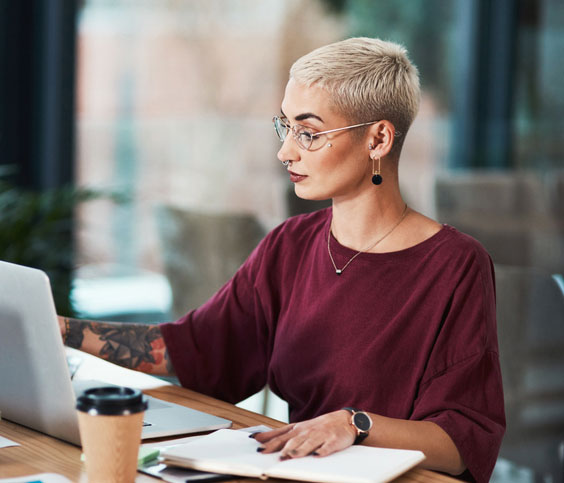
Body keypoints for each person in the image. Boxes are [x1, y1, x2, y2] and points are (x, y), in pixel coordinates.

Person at [58, 37, 505, 482]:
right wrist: (60, 329)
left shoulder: (455, 265)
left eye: (308, 133)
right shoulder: (289, 245)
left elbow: (461, 442)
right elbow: (198, 350)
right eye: (286, 127)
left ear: (379, 138)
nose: (285, 151)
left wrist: (354, 423)